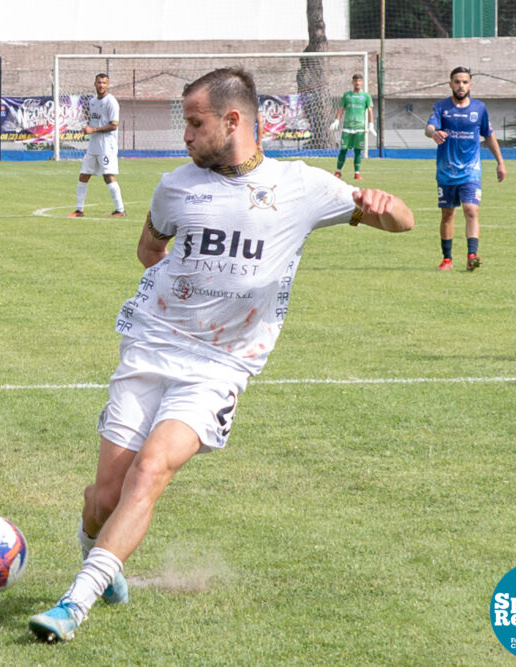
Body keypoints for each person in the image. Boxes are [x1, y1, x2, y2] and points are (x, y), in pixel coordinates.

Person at [29, 66, 414, 643]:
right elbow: (148, 248)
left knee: (151, 472)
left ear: (233, 120)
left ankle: (72, 604)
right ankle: (102, 560)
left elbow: (403, 220)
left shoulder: (302, 187)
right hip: (152, 344)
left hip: (220, 365)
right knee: (102, 496)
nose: (185, 134)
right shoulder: (174, 186)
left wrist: (385, 208)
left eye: (194, 122)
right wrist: (192, 284)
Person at [425, 66, 506, 271]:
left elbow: (488, 134)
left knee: (471, 210)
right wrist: (433, 133)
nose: (461, 86)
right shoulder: (441, 107)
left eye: (464, 82)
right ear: (450, 84)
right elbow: (429, 127)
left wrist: (500, 162)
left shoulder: (479, 109)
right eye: (457, 82)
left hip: (470, 171)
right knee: (448, 215)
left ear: (470, 84)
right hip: (446, 172)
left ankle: (472, 255)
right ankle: (447, 259)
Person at [69, 73, 125, 218]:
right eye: (99, 82)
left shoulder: (111, 102)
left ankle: (120, 210)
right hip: (93, 145)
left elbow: (113, 125)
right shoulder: (93, 101)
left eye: (104, 83)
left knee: (108, 176)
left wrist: (93, 130)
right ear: (94, 84)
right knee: (83, 175)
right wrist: (87, 128)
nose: (101, 85)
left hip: (107, 146)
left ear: (108, 85)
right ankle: (79, 210)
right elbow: (95, 121)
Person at [330, 73, 374, 180]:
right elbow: (341, 108)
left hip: (359, 128)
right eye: (355, 81)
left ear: (362, 82)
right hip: (347, 127)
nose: (357, 83)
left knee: (358, 150)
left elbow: (370, 110)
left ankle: (357, 173)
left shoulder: (366, 96)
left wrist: (371, 125)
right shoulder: (347, 95)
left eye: (359, 81)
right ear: (352, 82)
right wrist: (336, 120)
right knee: (343, 150)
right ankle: (338, 171)